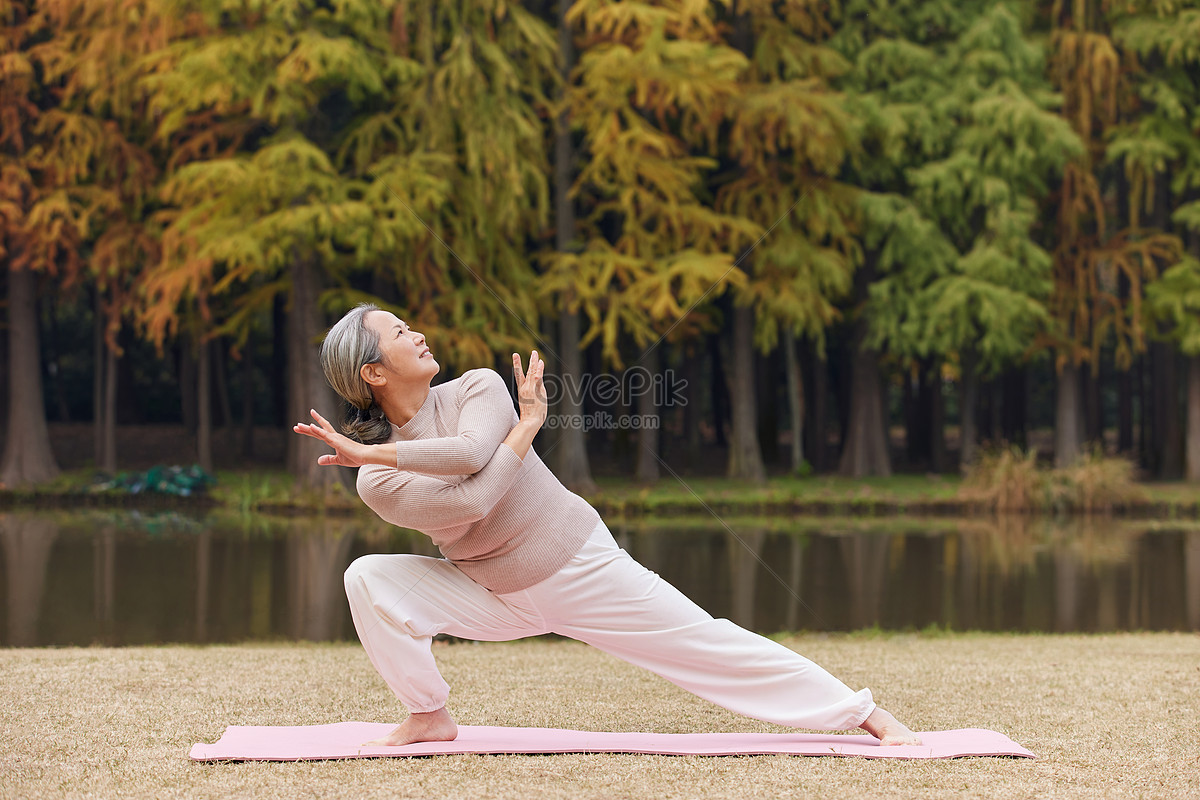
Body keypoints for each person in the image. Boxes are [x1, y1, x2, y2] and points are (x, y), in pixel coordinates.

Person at [293, 303, 922, 748]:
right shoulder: (376, 483)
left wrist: (378, 449)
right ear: (375, 373)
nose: (419, 333)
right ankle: (428, 714)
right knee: (367, 576)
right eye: (401, 333)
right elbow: (476, 502)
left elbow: (467, 458)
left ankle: (861, 714)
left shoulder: (477, 389)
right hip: (494, 594)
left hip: (576, 565)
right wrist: (525, 428)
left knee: (703, 642)